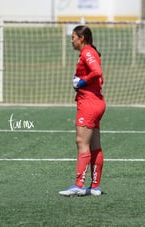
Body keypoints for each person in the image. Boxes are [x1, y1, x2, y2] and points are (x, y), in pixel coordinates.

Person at [59, 25, 106, 197]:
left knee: (81, 142)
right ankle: (94, 187)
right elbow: (101, 76)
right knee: (94, 145)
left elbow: (97, 72)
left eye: (73, 37)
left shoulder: (87, 52)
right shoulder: (90, 52)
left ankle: (79, 184)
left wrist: (82, 82)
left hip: (89, 103)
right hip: (96, 102)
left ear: (82, 38)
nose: (71, 40)